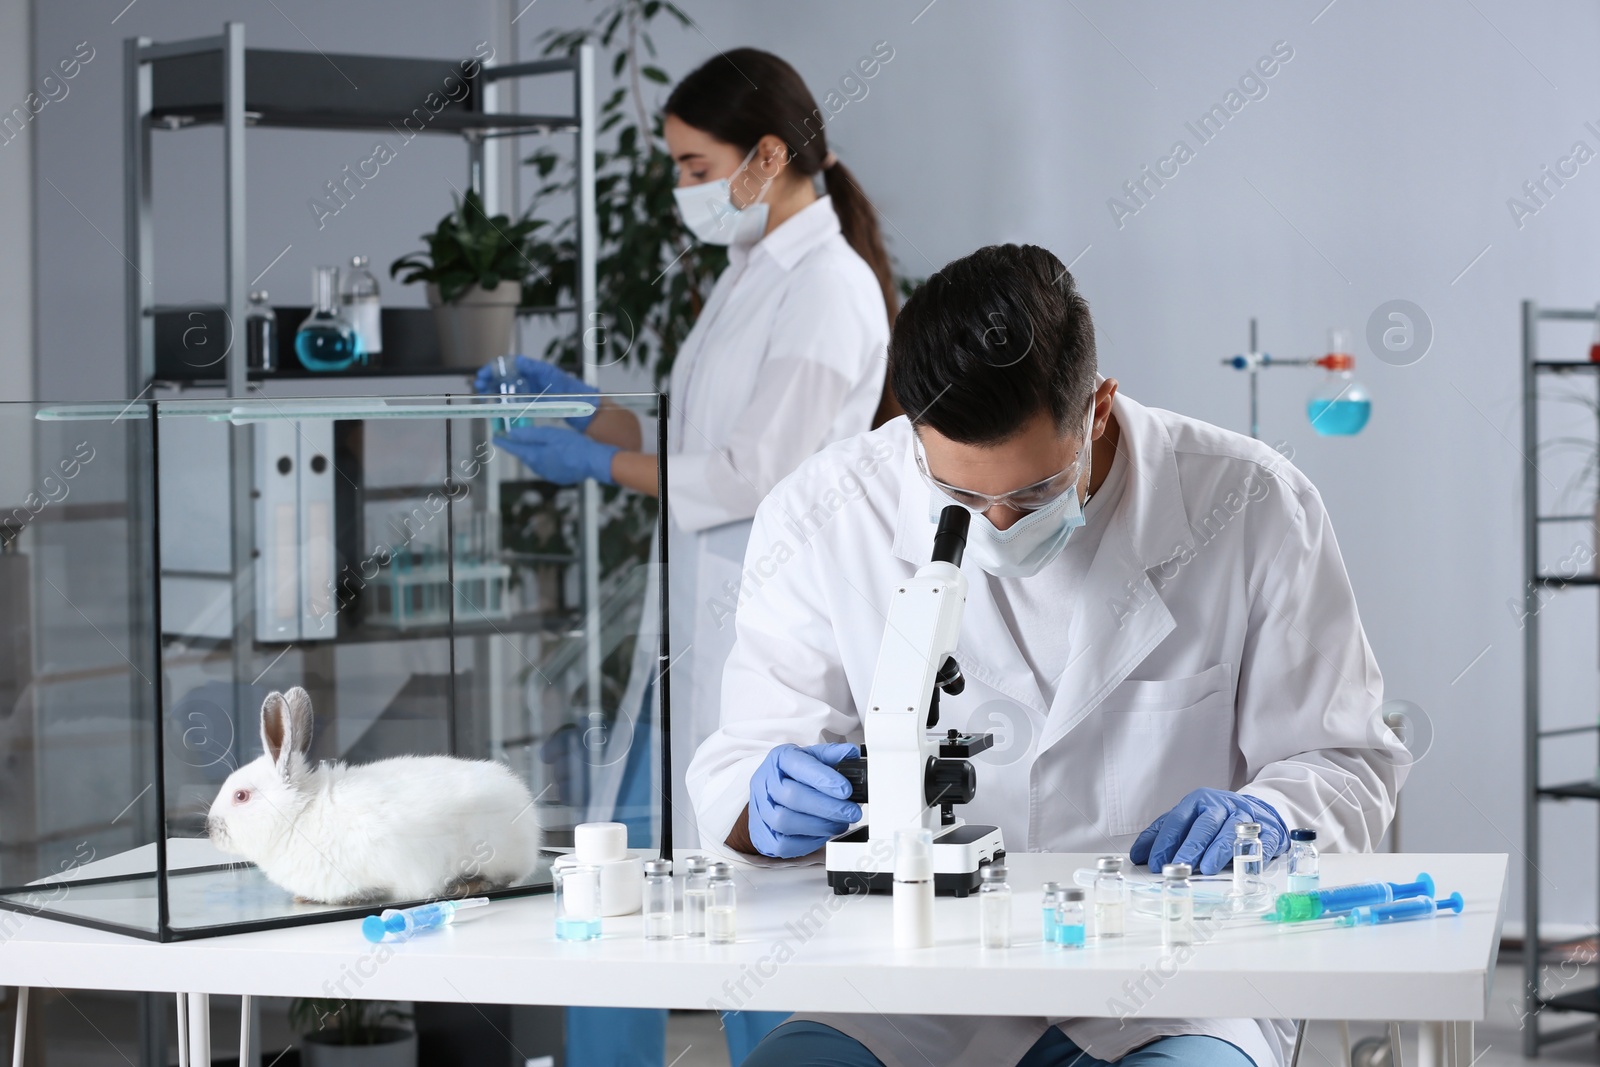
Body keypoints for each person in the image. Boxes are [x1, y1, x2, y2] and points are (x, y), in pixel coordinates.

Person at [687, 244, 1404, 1067]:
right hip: (908, 987)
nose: (995, 524)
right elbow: (744, 760)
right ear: (914, 431)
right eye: (958, 496)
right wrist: (767, 804)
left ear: (1098, 409)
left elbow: (1346, 756)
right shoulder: (822, 514)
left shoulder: (1251, 504)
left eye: (1030, 493)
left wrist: (1272, 812)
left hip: (1171, 985)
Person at [481, 47, 898, 1067]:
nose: (681, 190)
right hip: (698, 627)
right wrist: (590, 407)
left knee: (751, 901)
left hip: (767, 630)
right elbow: (693, 430)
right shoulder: (753, 272)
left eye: (693, 167)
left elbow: (755, 469)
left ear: (766, 156)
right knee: (627, 878)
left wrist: (599, 459)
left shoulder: (829, 287)